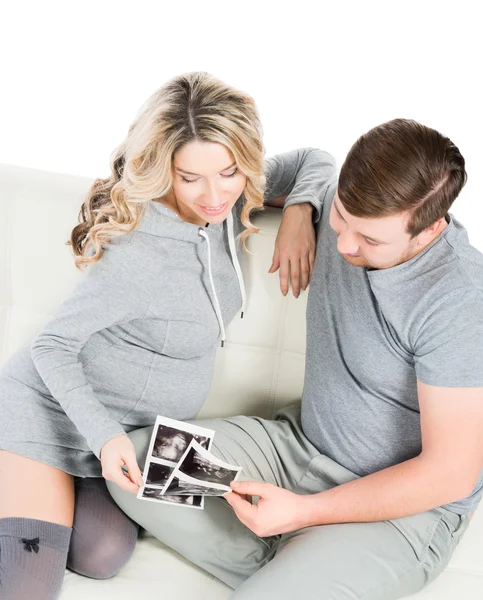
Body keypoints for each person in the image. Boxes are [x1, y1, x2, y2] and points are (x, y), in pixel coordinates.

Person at [107, 118, 483, 599]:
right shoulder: (335, 200)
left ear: (429, 227)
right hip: (297, 451)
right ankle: (290, 563)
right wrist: (301, 210)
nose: (345, 244)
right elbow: (307, 162)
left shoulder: (459, 301)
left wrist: (305, 513)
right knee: (136, 463)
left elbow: (449, 474)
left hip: (400, 511)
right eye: (342, 220)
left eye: (370, 241)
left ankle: (297, 563)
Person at [0, 71, 335, 600]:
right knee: (26, 582)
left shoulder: (229, 199)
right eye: (189, 178)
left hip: (134, 435)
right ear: (164, 171)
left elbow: (314, 158)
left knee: (102, 555)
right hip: (51, 414)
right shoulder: (140, 253)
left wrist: (299, 209)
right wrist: (105, 436)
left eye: (228, 172)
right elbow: (52, 346)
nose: (213, 195)